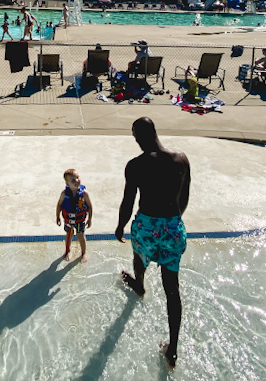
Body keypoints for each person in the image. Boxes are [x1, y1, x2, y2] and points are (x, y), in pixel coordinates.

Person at [116, 118, 190, 369]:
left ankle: (139, 283)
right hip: (172, 225)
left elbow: (128, 201)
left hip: (146, 226)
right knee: (172, 289)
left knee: (139, 256)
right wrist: (171, 222)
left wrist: (120, 225)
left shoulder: (136, 165)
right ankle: (173, 349)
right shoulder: (181, 159)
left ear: (137, 137)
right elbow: (185, 198)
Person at [56, 168, 93, 262]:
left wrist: (89, 219)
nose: (76, 180)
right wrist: (57, 216)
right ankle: (67, 251)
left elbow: (89, 206)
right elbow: (59, 204)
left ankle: (84, 253)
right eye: (73, 180)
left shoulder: (84, 194)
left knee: (81, 235)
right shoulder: (64, 194)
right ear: (67, 184)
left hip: (80, 220)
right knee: (69, 235)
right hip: (68, 220)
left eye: (77, 177)